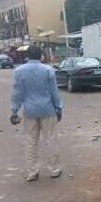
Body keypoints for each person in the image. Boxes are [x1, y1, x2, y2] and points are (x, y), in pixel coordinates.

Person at [10, 45, 62, 182]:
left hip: (29, 111)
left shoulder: (19, 71)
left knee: (30, 141)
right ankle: (54, 170)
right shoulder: (48, 70)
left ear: (27, 56)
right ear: (41, 56)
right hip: (48, 110)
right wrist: (59, 108)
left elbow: (17, 93)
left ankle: (32, 172)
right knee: (51, 139)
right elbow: (54, 92)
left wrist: (14, 111)